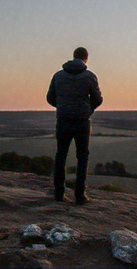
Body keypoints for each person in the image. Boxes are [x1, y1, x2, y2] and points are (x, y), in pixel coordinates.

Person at [47, 47, 103, 204]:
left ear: (73, 57)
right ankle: (80, 195)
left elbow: (50, 98)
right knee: (82, 156)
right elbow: (98, 99)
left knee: (61, 155)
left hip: (63, 119)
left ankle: (58, 194)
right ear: (86, 59)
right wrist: (87, 109)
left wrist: (63, 106)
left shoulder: (58, 76)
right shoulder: (90, 77)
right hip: (82, 121)